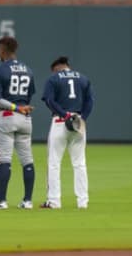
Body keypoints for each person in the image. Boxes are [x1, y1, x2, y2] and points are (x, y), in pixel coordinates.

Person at [0, 36, 36, 209]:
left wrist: (15, 107)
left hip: (6, 116)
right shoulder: (28, 70)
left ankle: (0, 200)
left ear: (3, 50)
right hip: (25, 117)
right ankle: (27, 201)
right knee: (27, 159)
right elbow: (28, 96)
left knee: (4, 159)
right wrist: (21, 108)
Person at [40, 56, 94, 209]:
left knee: (54, 163)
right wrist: (82, 118)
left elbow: (50, 101)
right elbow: (90, 101)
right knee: (79, 163)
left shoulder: (54, 79)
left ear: (57, 68)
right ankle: (83, 202)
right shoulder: (83, 79)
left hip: (60, 122)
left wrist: (65, 115)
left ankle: (54, 201)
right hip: (78, 123)